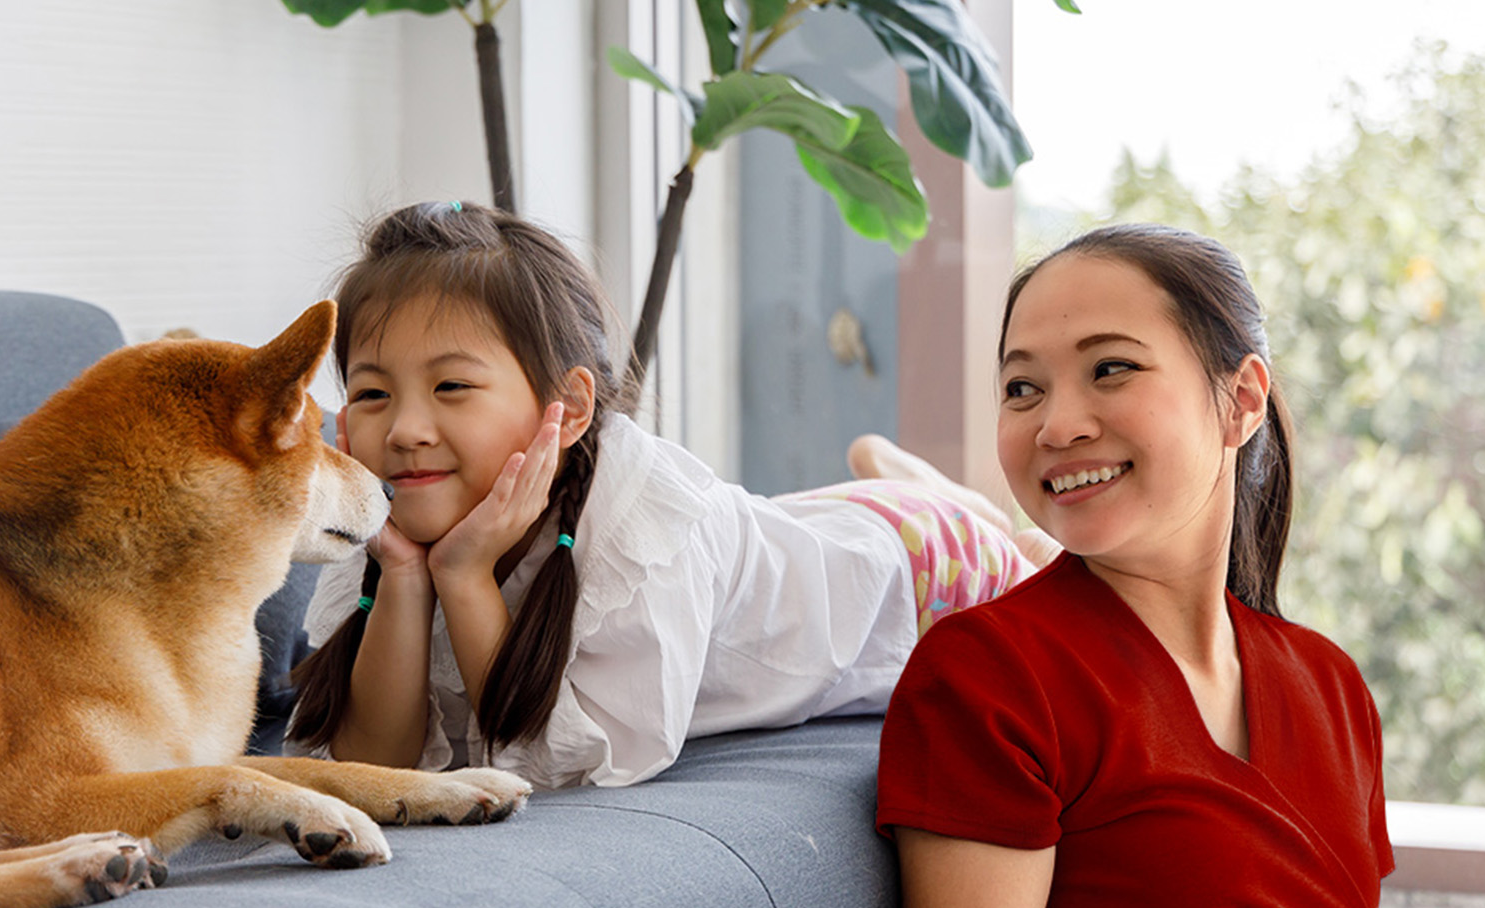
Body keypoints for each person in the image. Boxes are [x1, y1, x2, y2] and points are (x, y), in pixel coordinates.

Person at [285, 200, 1041, 789]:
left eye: (452, 386)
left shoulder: (639, 518)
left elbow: (562, 766)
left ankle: (952, 505)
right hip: (800, 531)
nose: (407, 428)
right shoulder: (389, 518)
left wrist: (464, 574)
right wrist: (411, 577)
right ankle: (886, 474)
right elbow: (368, 768)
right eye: (374, 393)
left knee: (1015, 561)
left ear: (569, 409)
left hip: (923, 569)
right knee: (799, 522)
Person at [875, 223, 1395, 908]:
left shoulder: (1333, 687)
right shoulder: (989, 672)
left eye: (1109, 368)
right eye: (1023, 388)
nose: (1055, 425)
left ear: (1242, 401)